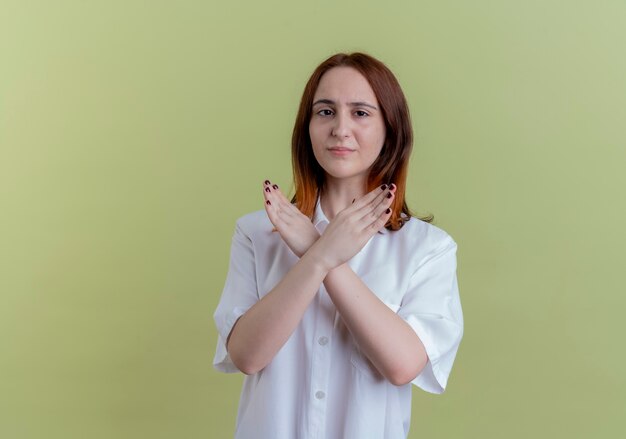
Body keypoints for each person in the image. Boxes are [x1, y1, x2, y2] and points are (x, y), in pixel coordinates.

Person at [213, 52, 464, 439]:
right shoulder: (256, 232)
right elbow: (247, 356)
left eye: (361, 113)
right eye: (325, 112)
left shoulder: (427, 249)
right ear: (307, 126)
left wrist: (321, 252)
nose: (340, 129)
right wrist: (318, 259)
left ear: (390, 129)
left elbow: (402, 365)